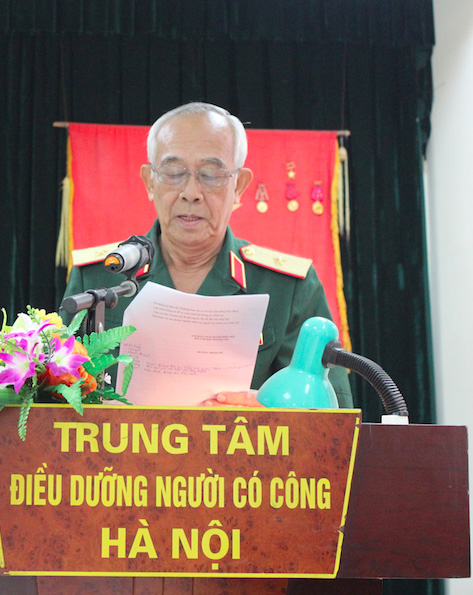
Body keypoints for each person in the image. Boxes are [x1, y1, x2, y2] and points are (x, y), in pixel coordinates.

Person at [62, 102, 352, 408]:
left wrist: (272, 410)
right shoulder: (99, 278)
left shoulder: (288, 288)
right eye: (174, 173)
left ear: (239, 186)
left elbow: (334, 417)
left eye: (211, 175)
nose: (191, 193)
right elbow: (52, 399)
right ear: (149, 181)